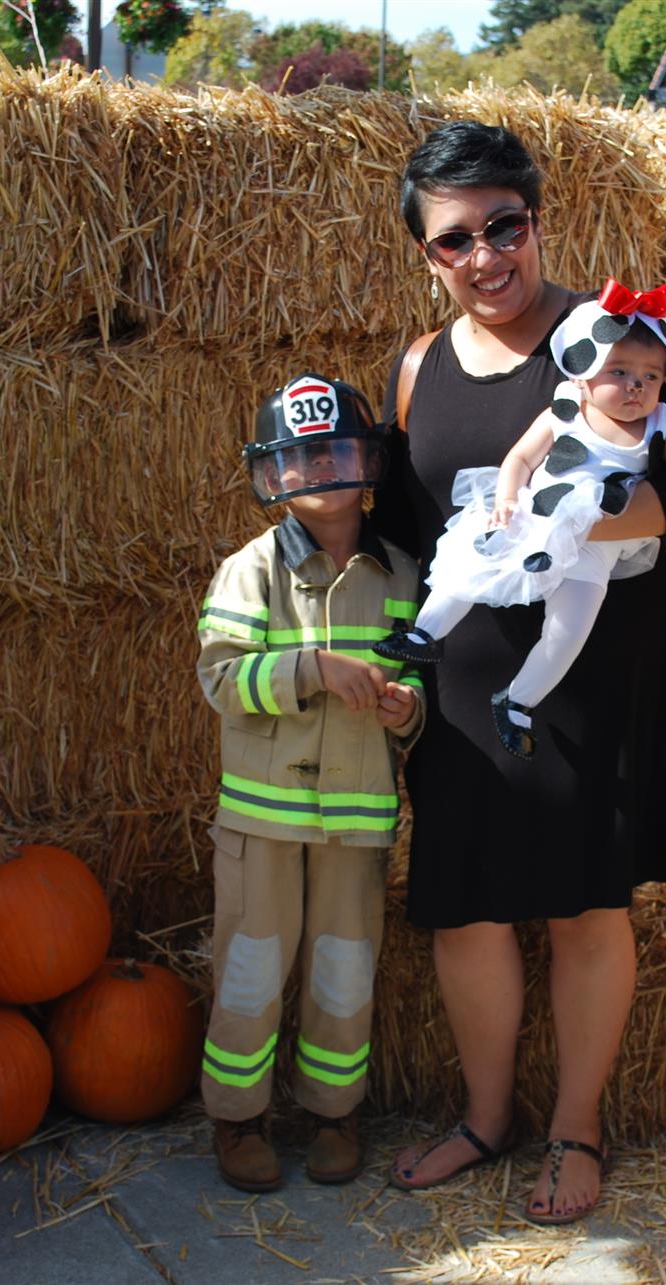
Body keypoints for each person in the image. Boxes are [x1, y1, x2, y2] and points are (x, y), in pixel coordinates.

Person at [370, 122, 666, 1225]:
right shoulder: (414, 372)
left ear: (538, 221)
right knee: (464, 907)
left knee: (586, 903)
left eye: (504, 226)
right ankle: (486, 1119)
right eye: (454, 240)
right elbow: (404, 526)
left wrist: (572, 514)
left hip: (597, 666)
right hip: (465, 678)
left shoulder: (610, 337)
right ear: (425, 254)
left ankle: (576, 1127)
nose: (485, 255)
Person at [195, 373, 426, 1193]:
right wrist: (313, 669)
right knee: (252, 968)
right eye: (299, 461)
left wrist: (405, 707)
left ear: (368, 465)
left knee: (343, 966)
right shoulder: (249, 572)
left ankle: (334, 1110)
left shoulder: (401, 574)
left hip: (358, 817)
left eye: (336, 455)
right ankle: (237, 1115)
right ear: (272, 476)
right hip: (263, 820)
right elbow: (221, 680)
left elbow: (422, 685)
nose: (320, 475)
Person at [376, 278, 666, 759]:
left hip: (595, 544)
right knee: (470, 565)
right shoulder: (564, 411)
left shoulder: (661, 427)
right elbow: (518, 459)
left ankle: (517, 700)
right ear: (581, 372)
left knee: (569, 629)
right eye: (619, 371)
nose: (636, 386)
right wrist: (507, 500)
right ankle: (424, 633)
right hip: (535, 516)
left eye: (651, 376)